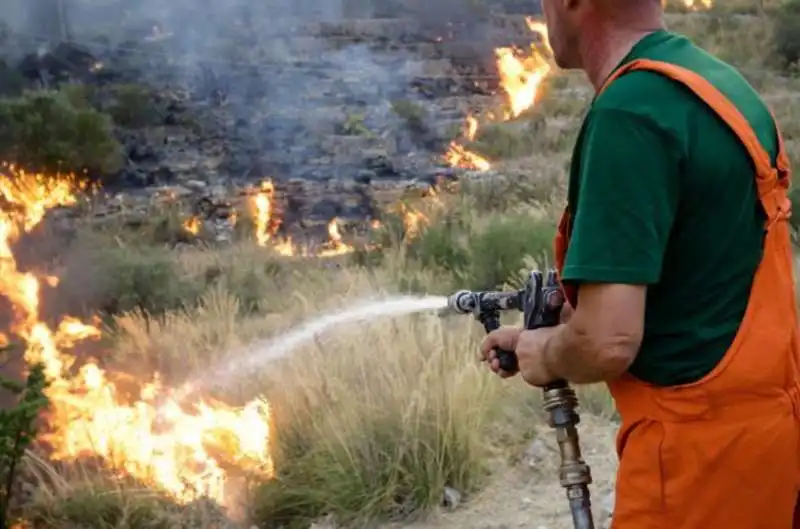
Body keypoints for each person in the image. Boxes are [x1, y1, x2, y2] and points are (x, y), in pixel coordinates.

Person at [479, 0, 800, 527]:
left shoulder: (629, 113)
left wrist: (550, 354)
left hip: (693, 471)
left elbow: (608, 342)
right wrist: (559, 328)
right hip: (769, 446)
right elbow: (702, 282)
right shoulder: (718, 84)